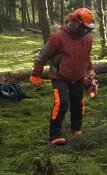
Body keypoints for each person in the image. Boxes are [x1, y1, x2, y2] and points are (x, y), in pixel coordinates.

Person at [29, 8, 98, 146]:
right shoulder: (58, 37)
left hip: (79, 76)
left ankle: (76, 129)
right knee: (62, 102)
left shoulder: (87, 39)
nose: (85, 31)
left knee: (78, 103)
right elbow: (42, 56)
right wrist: (36, 74)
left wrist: (90, 74)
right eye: (83, 28)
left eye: (88, 29)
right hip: (59, 76)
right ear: (75, 22)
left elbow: (87, 58)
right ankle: (55, 135)